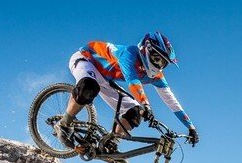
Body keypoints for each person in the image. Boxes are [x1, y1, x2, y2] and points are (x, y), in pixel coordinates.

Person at [54, 31, 199, 152]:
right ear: (146, 50)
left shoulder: (156, 75)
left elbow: (171, 100)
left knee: (135, 112)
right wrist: (146, 106)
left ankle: (110, 143)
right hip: (86, 60)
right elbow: (133, 82)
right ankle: (64, 124)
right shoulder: (129, 54)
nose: (159, 65)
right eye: (157, 59)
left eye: (163, 63)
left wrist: (190, 127)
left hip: (105, 78)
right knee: (89, 87)